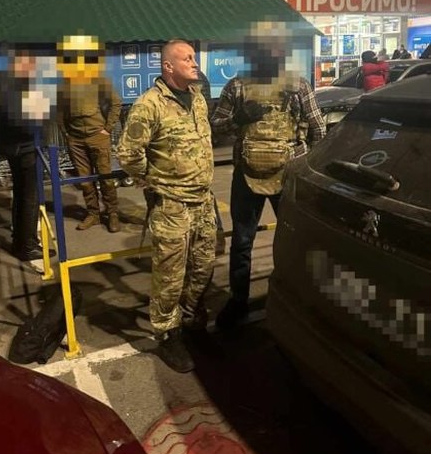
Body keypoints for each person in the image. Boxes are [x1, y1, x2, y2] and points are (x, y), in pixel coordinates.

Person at [211, 28, 326, 330]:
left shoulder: (297, 85)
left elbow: (317, 129)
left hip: (287, 175)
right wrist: (239, 118)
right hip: (247, 175)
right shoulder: (237, 86)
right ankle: (239, 301)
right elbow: (216, 125)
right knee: (242, 242)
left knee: (291, 239)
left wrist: (305, 169)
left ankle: (294, 296)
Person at [116, 40, 216, 373]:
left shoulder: (198, 98)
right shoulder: (149, 104)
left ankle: (192, 320)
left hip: (203, 201)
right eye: (186, 58)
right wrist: (150, 180)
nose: (194, 62)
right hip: (172, 205)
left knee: (202, 267)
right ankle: (167, 334)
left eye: (194, 57)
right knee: (170, 277)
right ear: (168, 66)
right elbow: (128, 153)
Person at [0, 50, 55, 262]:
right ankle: (27, 246)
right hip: (26, 149)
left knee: (21, 195)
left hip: (15, 148)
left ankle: (20, 241)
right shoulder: (21, 88)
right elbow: (29, 123)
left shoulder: (3, 85)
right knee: (30, 198)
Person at [58, 37, 122, 233]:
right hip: (75, 139)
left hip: (97, 136)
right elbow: (59, 111)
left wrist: (107, 129)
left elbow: (116, 103)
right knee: (85, 181)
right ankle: (93, 214)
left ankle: (112, 213)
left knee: (106, 178)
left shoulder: (98, 78)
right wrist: (66, 134)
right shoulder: (64, 83)